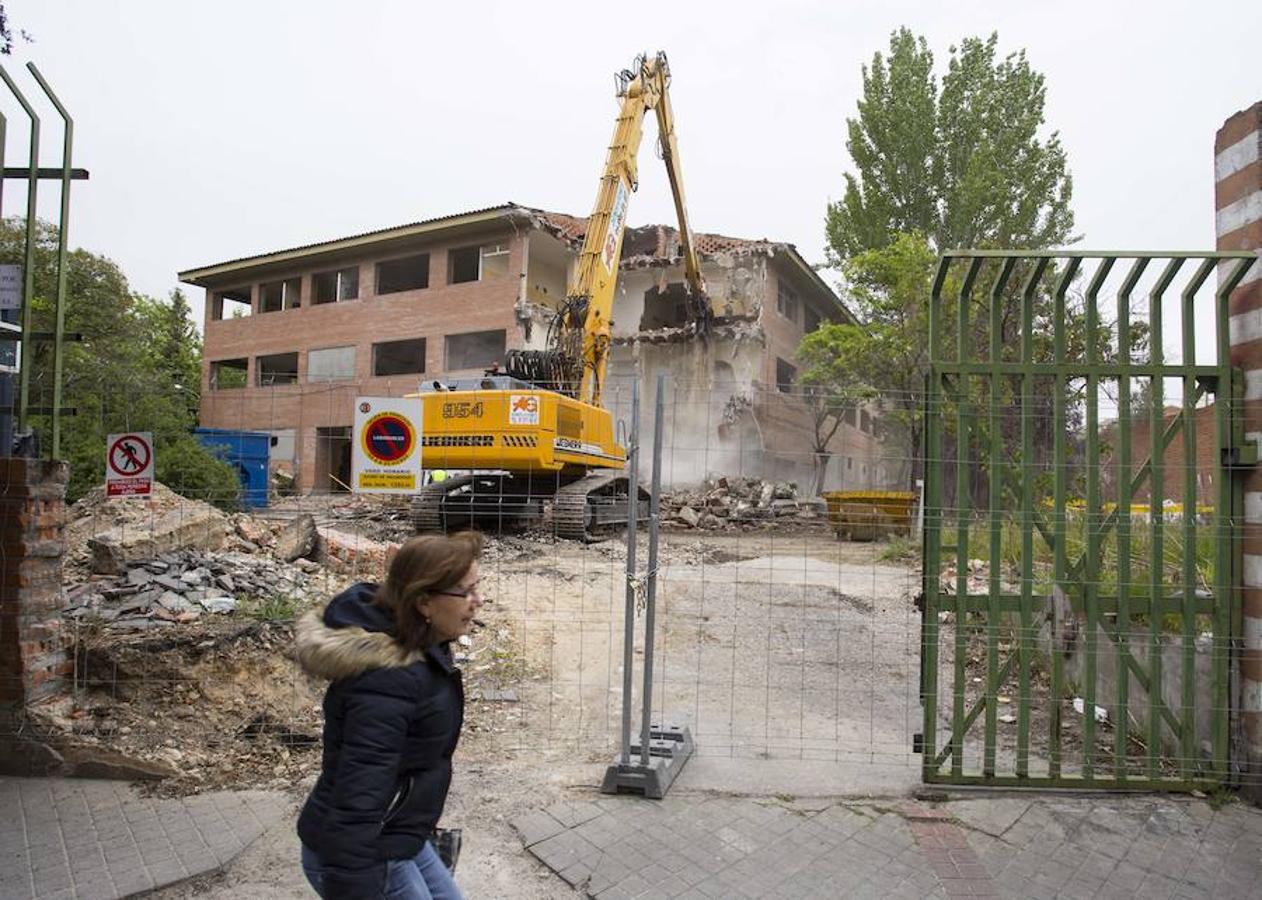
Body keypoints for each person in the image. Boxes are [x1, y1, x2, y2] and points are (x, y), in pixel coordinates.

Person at [295, 532, 485, 899]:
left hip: (395, 835)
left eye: (478, 587)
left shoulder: (421, 647)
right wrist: (356, 884)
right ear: (424, 602)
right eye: (465, 593)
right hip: (360, 853)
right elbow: (358, 792)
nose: (478, 602)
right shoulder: (388, 683)